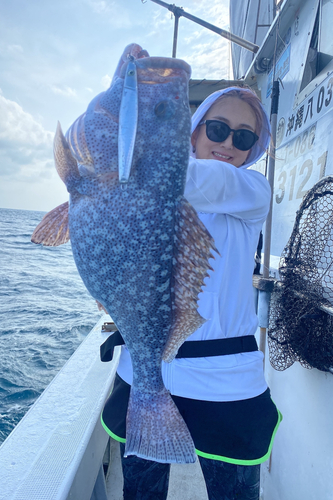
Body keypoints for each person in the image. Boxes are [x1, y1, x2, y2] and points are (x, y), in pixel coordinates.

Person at [101, 86, 282, 500]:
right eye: (217, 129)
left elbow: (206, 181)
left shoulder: (252, 191)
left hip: (225, 385)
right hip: (145, 374)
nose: (228, 144)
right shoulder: (145, 193)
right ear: (194, 132)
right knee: (141, 495)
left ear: (254, 149)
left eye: (243, 137)